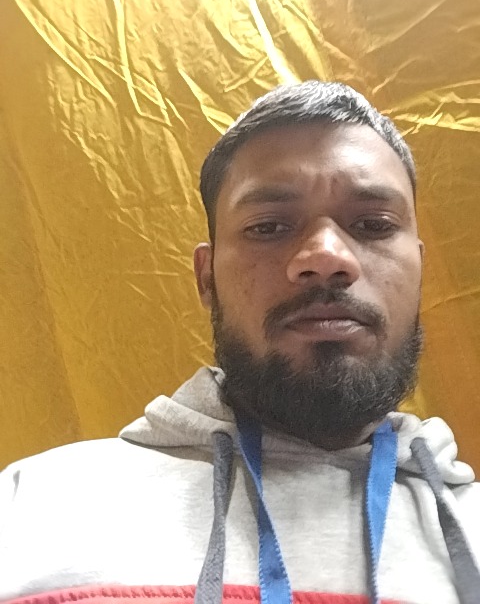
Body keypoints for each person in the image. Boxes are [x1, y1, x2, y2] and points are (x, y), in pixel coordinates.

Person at [0, 81, 479, 604]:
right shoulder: (31, 513)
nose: (326, 257)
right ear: (206, 278)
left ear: (421, 271)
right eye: (269, 227)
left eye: (372, 224)